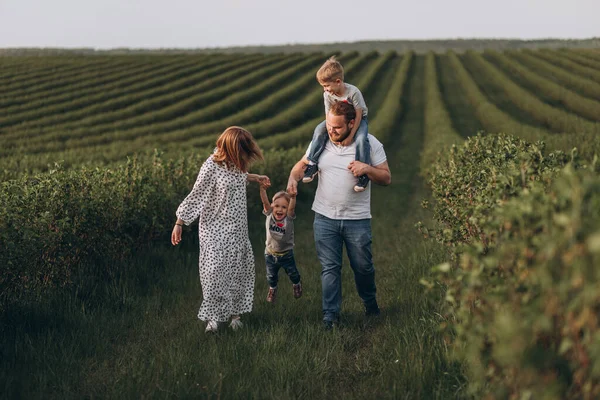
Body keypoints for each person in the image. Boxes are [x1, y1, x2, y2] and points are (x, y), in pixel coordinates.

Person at [287, 101, 391, 330]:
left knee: (363, 267)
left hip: (357, 219)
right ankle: (330, 316)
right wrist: (293, 178)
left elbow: (386, 178)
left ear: (352, 124)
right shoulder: (322, 141)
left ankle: (370, 303)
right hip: (324, 218)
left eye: (337, 128)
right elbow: (302, 165)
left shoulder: (370, 144)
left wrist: (367, 169)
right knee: (330, 268)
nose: (331, 131)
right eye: (329, 126)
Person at [171, 126, 269, 333]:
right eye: (241, 151)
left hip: (237, 228)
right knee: (213, 272)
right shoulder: (211, 166)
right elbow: (196, 195)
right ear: (231, 148)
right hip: (213, 228)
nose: (244, 156)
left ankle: (235, 316)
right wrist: (180, 223)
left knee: (237, 270)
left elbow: (237, 178)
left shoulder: (238, 165)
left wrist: (254, 177)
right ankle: (214, 319)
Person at [303, 55, 371, 193]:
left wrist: (350, 135)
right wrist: (330, 131)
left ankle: (362, 173)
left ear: (338, 81)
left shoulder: (353, 92)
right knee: (318, 130)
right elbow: (328, 114)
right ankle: (313, 163)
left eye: (327, 85)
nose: (325, 89)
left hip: (358, 118)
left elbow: (358, 115)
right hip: (336, 120)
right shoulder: (327, 95)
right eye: (323, 86)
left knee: (361, 139)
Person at [258, 182, 302, 304]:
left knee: (293, 274)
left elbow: (292, 208)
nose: (279, 209)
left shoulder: (288, 218)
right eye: (276, 206)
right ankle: (272, 289)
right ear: (272, 206)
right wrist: (262, 190)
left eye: (284, 207)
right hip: (270, 254)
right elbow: (265, 202)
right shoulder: (269, 214)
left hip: (286, 254)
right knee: (271, 276)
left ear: (287, 209)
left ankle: (297, 284)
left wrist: (293, 197)